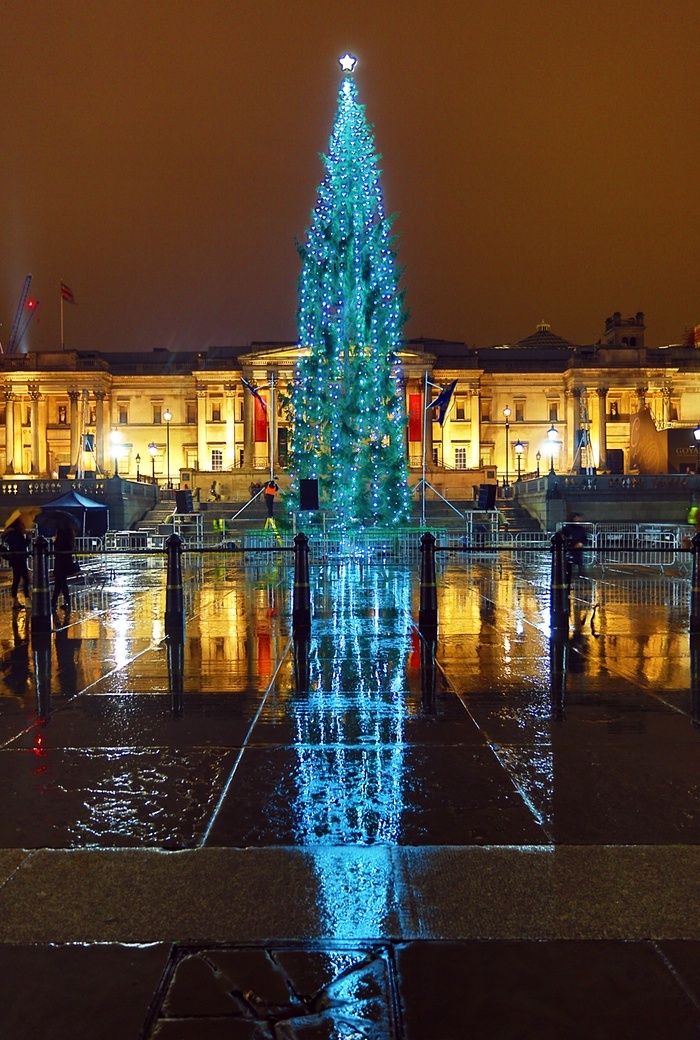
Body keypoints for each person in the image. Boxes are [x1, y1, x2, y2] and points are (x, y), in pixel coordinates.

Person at [3, 520, 31, 609]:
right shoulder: (17, 535)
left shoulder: (11, 535)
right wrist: (28, 537)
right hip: (20, 560)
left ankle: (15, 601)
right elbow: (23, 545)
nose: (23, 525)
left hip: (16, 560)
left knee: (17, 580)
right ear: (18, 525)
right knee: (25, 580)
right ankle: (27, 600)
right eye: (22, 524)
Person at [51, 524, 77, 612]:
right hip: (65, 560)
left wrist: (54, 541)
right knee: (59, 582)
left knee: (61, 582)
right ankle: (54, 602)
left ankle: (67, 602)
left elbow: (59, 546)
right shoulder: (69, 533)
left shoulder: (62, 533)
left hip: (61, 561)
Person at [563, 512, 588, 578]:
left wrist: (581, 543)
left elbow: (584, 538)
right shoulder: (567, 528)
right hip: (569, 549)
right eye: (576, 518)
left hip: (578, 550)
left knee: (579, 563)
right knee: (568, 565)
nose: (578, 520)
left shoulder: (581, 529)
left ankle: (581, 576)